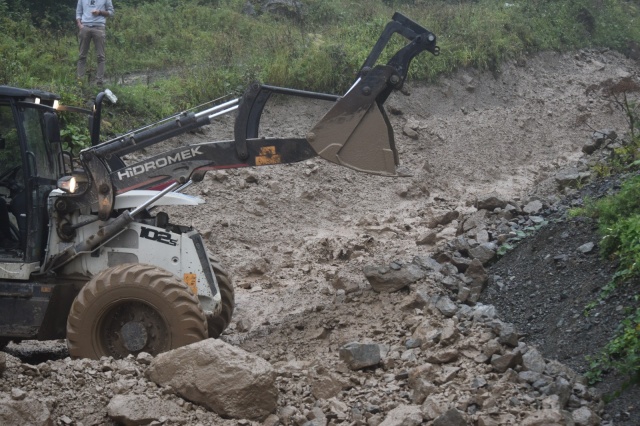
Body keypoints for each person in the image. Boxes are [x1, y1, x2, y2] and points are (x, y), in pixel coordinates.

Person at [76, 0, 115, 86]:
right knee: (82, 55)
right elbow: (78, 12)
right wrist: (80, 25)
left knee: (101, 56)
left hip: (99, 27)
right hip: (85, 27)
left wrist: (100, 12)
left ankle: (99, 81)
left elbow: (111, 12)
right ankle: (80, 81)